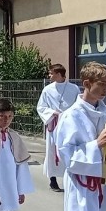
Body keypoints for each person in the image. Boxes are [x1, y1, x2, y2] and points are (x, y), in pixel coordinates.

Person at [54, 61, 106, 211]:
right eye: (102, 84)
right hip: (81, 182)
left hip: (103, 182)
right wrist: (95, 144)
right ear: (87, 84)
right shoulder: (71, 116)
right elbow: (66, 155)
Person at [36, 64, 80, 192]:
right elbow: (41, 107)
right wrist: (52, 113)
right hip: (54, 124)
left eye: (51, 73)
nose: (49, 76)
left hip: (69, 124)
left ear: (58, 74)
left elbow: (78, 105)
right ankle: (53, 179)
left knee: (69, 150)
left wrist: (69, 115)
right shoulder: (47, 90)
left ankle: (71, 178)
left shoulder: (74, 88)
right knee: (52, 151)